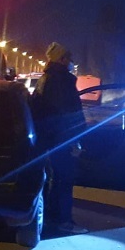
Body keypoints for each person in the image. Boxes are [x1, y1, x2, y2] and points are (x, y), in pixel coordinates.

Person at [30, 42, 88, 234]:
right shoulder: (63, 81)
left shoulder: (45, 79)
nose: (71, 62)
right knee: (65, 179)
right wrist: (76, 139)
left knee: (53, 179)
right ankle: (64, 221)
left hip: (47, 139)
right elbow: (69, 114)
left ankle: (50, 218)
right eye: (69, 58)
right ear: (62, 59)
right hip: (62, 139)